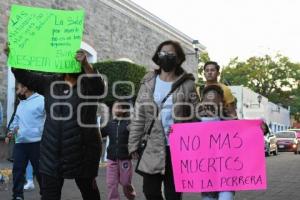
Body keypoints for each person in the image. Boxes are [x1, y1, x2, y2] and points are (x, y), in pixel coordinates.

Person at [5, 44, 105, 200]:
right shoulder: (50, 82)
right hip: (52, 153)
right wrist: (14, 58)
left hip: (84, 152)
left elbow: (100, 88)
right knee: (49, 194)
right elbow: (27, 77)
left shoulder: (88, 84)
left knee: (89, 192)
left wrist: (86, 64)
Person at [129, 40, 200, 200]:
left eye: (170, 54)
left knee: (173, 195)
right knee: (150, 192)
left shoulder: (188, 84)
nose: (166, 56)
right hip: (153, 145)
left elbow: (196, 115)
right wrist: (133, 144)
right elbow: (139, 115)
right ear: (157, 56)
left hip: (178, 148)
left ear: (178, 58)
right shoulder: (147, 82)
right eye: (162, 53)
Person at [4, 82, 45, 200]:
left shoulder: (41, 100)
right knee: (17, 171)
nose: (17, 90)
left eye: (18, 88)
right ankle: (17, 196)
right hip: (20, 143)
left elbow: (49, 118)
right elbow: (16, 120)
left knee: (40, 172)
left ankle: (46, 194)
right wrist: (10, 133)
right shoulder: (21, 103)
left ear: (25, 88)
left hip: (37, 142)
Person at [199, 84, 235, 200]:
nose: (210, 104)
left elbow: (247, 133)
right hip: (206, 176)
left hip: (226, 176)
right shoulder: (193, 122)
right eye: (207, 100)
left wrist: (262, 128)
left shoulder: (231, 121)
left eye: (214, 101)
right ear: (202, 101)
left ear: (221, 102)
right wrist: (173, 132)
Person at [101, 100, 136, 200]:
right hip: (111, 159)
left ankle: (131, 196)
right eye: (114, 107)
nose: (116, 109)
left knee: (125, 182)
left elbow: (136, 137)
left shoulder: (129, 124)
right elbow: (99, 134)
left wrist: (135, 149)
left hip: (125, 158)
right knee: (111, 183)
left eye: (119, 107)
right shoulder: (109, 124)